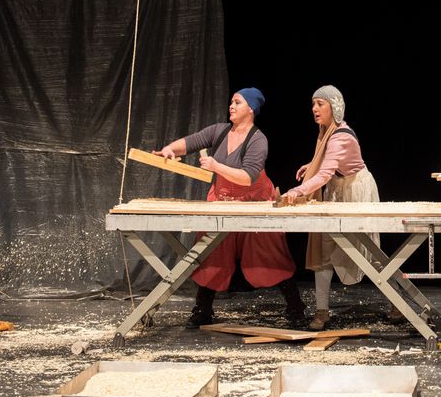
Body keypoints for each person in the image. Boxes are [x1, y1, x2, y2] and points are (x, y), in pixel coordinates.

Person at [154, 88, 305, 328]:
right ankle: (203, 309)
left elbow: (248, 176)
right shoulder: (219, 131)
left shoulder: (258, 139)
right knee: (211, 250)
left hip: (254, 202)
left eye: (237, 102)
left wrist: (216, 166)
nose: (231, 106)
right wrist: (171, 149)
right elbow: (191, 142)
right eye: (231, 102)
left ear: (251, 109)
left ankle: (296, 307)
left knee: (269, 253)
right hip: (222, 199)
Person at [281, 85, 400, 330]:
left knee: (366, 251)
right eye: (313, 104)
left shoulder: (340, 137)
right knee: (324, 248)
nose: (314, 109)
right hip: (337, 189)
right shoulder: (327, 132)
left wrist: (298, 190)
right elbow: (329, 165)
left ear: (334, 107)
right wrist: (311, 165)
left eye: (320, 104)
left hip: (355, 191)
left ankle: (398, 302)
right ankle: (322, 311)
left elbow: (325, 173)